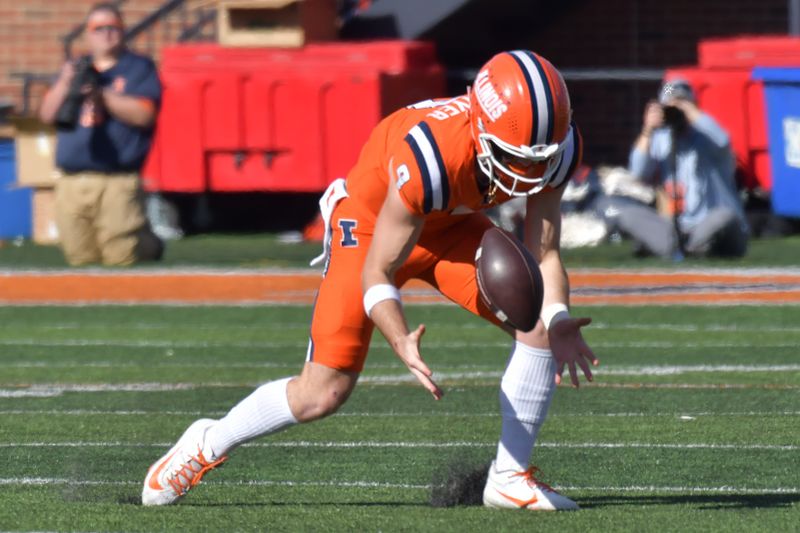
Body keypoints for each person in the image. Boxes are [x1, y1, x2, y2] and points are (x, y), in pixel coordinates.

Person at [142, 51, 598, 511]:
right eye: (511, 157)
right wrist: (399, 337)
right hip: (370, 229)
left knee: (536, 322)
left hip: (450, 228)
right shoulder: (432, 156)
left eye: (539, 159)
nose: (528, 173)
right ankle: (208, 440)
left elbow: (546, 252)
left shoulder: (550, 151)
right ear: (480, 126)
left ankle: (508, 478)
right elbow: (379, 269)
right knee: (322, 393)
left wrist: (557, 317)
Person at [39, 2, 163, 266]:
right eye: (99, 28)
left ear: (122, 31)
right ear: (87, 34)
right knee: (78, 256)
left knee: (120, 255)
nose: (106, 33)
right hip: (72, 179)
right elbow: (47, 116)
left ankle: (146, 245)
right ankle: (144, 238)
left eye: (113, 27)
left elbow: (144, 115)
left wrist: (101, 95)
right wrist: (65, 82)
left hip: (116, 177)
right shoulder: (76, 69)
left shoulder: (137, 68)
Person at [615, 79, 748, 259]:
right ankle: (682, 249)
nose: (675, 111)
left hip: (714, 223)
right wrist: (647, 130)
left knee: (725, 215)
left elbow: (723, 140)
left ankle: (680, 248)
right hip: (678, 228)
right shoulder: (660, 140)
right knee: (628, 214)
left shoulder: (707, 137)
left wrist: (689, 111)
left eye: (681, 104)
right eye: (670, 107)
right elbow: (637, 173)